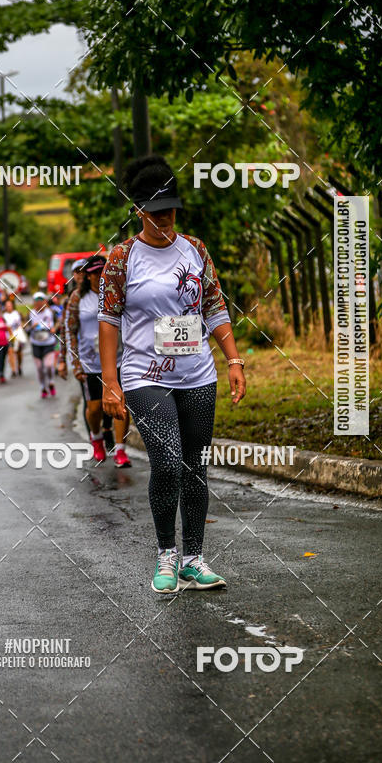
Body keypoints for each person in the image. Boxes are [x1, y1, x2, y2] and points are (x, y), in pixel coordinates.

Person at [99, 155, 246, 594]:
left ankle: (194, 559)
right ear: (139, 211)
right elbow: (108, 319)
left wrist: (234, 360)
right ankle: (166, 555)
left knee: (195, 465)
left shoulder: (196, 250)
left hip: (198, 373)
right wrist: (110, 380)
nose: (165, 220)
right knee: (166, 464)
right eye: (156, 213)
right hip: (146, 374)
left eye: (171, 212)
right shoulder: (123, 258)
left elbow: (215, 306)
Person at [69, 254, 131, 468]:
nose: (97, 276)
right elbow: (70, 330)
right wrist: (74, 363)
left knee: (121, 406)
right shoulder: (78, 298)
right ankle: (96, 439)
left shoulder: (118, 294)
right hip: (91, 363)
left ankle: (121, 450)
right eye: (93, 272)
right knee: (94, 408)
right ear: (87, 275)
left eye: (101, 271)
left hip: (119, 359)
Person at [27, 292, 57, 398]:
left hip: (48, 342)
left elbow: (58, 323)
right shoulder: (31, 313)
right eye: (36, 302)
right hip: (36, 343)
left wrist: (54, 328)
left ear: (45, 302)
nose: (39, 304)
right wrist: (32, 327)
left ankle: (51, 382)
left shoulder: (51, 312)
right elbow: (25, 328)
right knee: (39, 367)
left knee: (48, 365)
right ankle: (43, 387)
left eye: (41, 301)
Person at [4, 299, 24, 377]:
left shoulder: (16, 314)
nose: (9, 307)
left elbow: (21, 324)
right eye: (7, 306)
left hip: (18, 336)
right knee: (10, 352)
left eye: (10, 305)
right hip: (9, 337)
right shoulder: (4, 316)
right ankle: (13, 370)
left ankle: (19, 366)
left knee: (19, 353)